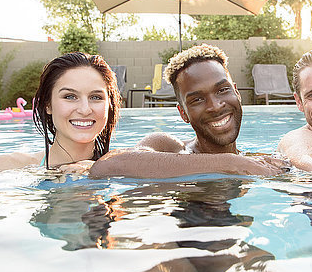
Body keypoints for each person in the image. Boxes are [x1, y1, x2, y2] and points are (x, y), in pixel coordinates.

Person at [89, 44, 284, 178]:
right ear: (183, 113)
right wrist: (229, 163)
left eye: (222, 90)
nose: (215, 106)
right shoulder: (170, 147)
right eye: (197, 99)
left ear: (237, 93)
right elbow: (107, 166)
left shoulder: (257, 162)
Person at [0, 52, 121, 170]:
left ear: (109, 105)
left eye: (96, 97)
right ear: (48, 104)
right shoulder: (6, 167)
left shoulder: (121, 168)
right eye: (70, 96)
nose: (85, 109)